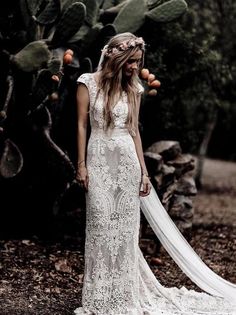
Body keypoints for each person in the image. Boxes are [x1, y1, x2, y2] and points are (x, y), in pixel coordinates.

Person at [74, 32, 236, 315]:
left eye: (138, 62)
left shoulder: (133, 89)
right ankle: (98, 295)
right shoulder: (87, 83)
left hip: (126, 162)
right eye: (131, 61)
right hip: (98, 159)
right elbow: (80, 126)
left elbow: (134, 131)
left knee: (124, 232)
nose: (135, 67)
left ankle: (122, 294)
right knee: (100, 225)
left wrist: (144, 174)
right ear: (116, 56)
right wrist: (81, 165)